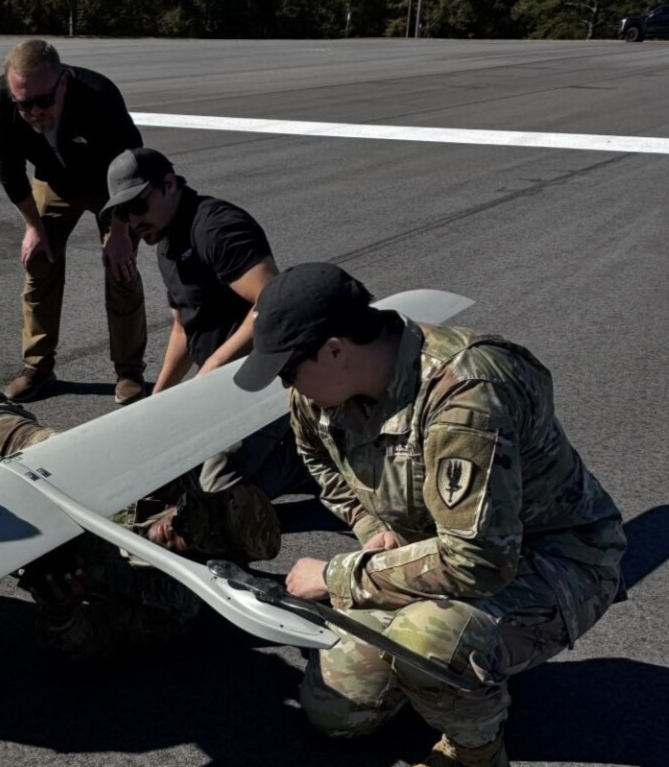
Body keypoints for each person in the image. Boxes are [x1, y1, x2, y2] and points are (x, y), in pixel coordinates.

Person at [233, 263, 627, 767]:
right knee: (338, 713)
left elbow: (477, 562)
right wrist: (373, 529)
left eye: (288, 370)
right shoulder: (317, 394)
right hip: (435, 551)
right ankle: (461, 667)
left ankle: (474, 750)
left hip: (551, 559)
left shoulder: (466, 395)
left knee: (428, 640)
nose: (285, 384)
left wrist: (337, 576)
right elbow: (321, 462)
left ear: (334, 350)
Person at [0, 377, 201, 660]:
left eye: (198, 536)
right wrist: (47, 447)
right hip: (30, 464)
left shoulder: (169, 605)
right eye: (191, 515)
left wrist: (60, 607)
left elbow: (81, 638)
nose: (178, 526)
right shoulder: (176, 482)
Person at [101, 147, 316, 559]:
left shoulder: (216, 227)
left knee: (214, 498)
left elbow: (271, 301)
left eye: (138, 205)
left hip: (261, 383)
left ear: (169, 184)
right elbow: (184, 326)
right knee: (169, 471)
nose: (132, 220)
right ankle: (297, 461)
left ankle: (308, 463)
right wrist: (159, 397)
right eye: (123, 213)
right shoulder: (165, 242)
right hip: (220, 388)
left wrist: (216, 364)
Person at [0, 39, 147, 404]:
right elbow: (8, 170)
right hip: (54, 181)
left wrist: (120, 231)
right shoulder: (0, 101)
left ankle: (129, 371)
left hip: (110, 186)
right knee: (38, 261)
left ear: (62, 83)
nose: (34, 112)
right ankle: (38, 368)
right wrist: (33, 227)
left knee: (120, 268)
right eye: (24, 104)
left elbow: (131, 167)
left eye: (43, 101)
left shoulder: (99, 95)